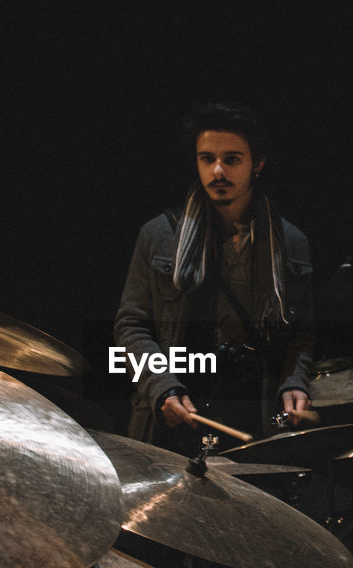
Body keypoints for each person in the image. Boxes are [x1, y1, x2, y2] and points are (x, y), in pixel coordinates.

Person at [114, 102, 314, 452]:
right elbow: (131, 326)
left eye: (232, 159)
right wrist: (162, 386)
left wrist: (294, 383)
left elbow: (302, 334)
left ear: (258, 163)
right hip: (175, 412)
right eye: (207, 159)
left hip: (253, 414)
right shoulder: (159, 235)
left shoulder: (291, 242)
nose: (218, 170)